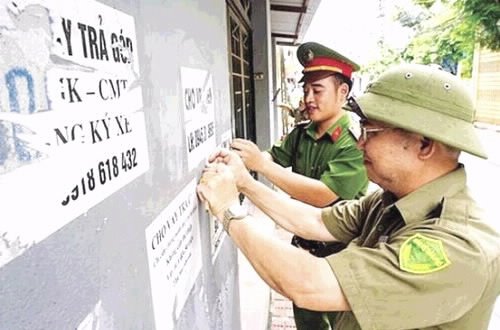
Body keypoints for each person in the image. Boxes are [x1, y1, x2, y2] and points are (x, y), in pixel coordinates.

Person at [198, 63, 500, 329]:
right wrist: (244, 182)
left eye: (372, 132)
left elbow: (309, 284)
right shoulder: (391, 200)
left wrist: (228, 210)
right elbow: (315, 220)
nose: (359, 145)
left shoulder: (457, 247)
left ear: (424, 145)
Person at [231, 42, 368, 329]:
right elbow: (273, 157)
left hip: (340, 256)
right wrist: (237, 162)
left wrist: (262, 166)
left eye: (317, 91)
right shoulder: (303, 133)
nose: (308, 98)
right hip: (304, 247)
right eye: (306, 90)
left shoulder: (354, 143)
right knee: (307, 321)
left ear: (342, 92)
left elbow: (322, 196)